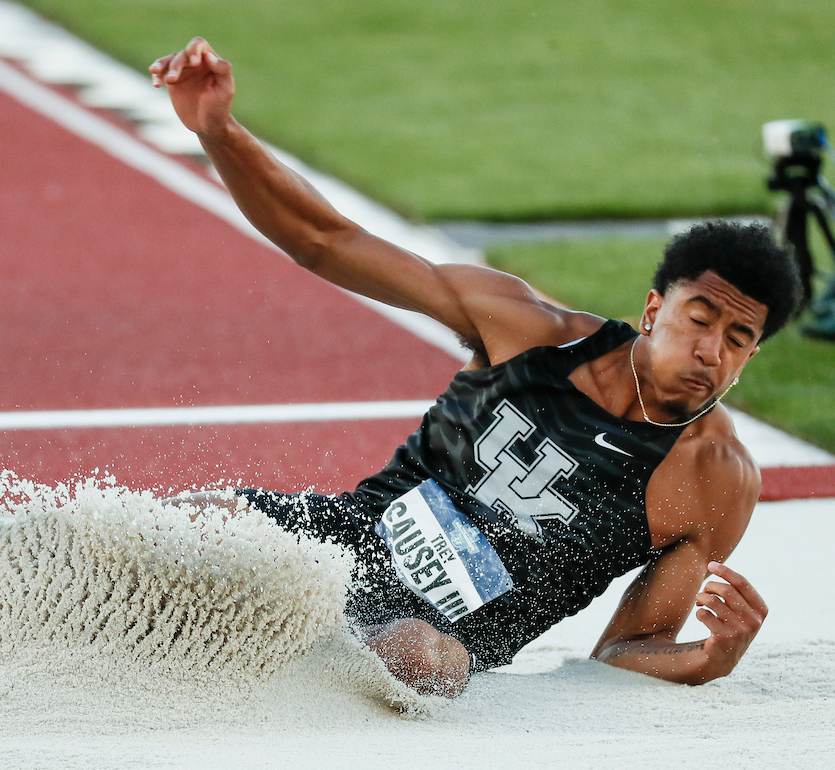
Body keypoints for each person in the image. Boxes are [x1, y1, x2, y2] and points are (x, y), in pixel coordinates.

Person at [149, 38, 802, 698]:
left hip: (442, 637)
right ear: (656, 309)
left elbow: (625, 650)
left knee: (413, 656)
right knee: (186, 522)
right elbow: (326, 241)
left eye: (739, 336)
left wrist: (711, 658)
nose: (712, 350)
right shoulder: (528, 332)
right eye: (701, 318)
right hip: (348, 538)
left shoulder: (714, 478)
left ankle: (272, 658)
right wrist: (218, 130)